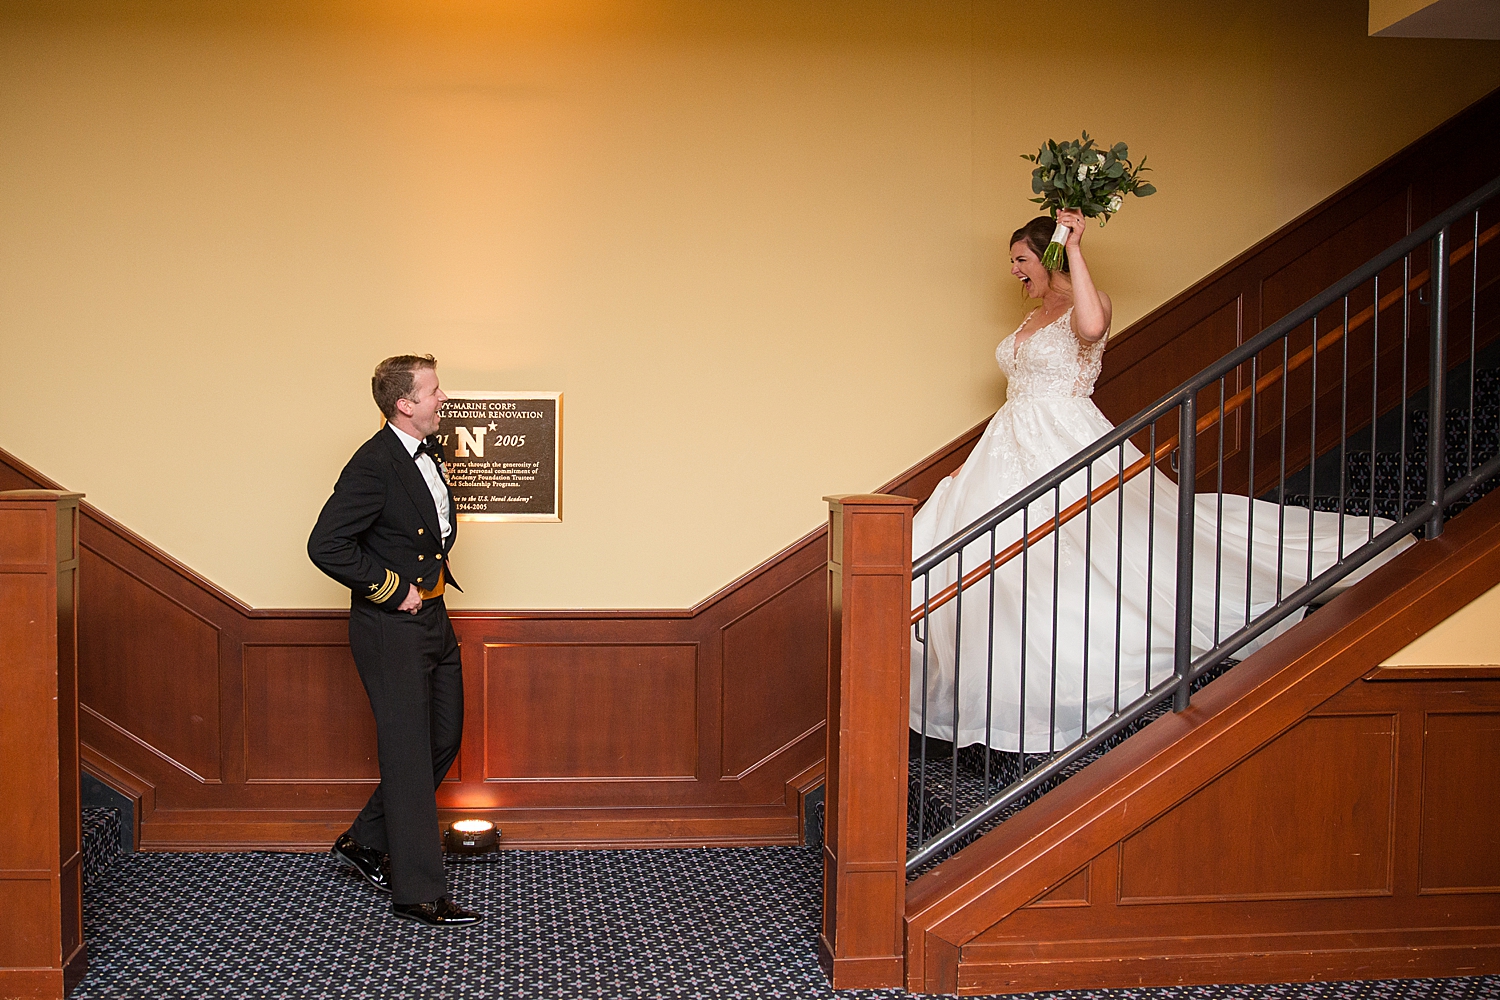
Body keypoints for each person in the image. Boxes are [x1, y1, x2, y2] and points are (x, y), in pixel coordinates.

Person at [910, 211, 1410, 753]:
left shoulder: (1085, 303)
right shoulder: (1030, 318)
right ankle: (1006, 692)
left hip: (1065, 437)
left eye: (1021, 260)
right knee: (990, 551)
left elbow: (1094, 329)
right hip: (1010, 443)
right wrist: (976, 457)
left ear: (1047, 256)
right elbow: (1018, 396)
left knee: (1092, 543)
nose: (1013, 271)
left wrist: (1075, 247)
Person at [308, 354, 482, 928]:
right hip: (390, 628)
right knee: (407, 757)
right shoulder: (373, 463)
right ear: (404, 403)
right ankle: (417, 892)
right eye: (433, 391)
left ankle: (365, 840)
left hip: (433, 619)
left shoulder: (423, 454)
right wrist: (388, 588)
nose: (442, 399)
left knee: (442, 737)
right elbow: (326, 544)